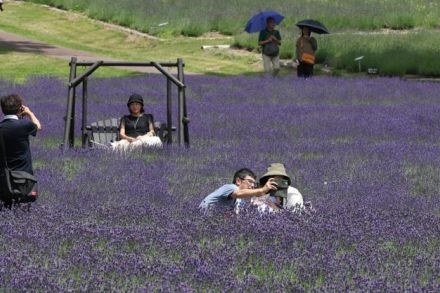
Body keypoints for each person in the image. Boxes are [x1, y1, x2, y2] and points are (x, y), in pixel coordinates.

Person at [199, 168, 278, 212]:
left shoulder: (240, 201)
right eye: (250, 181)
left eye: (254, 183)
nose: (252, 185)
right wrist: (262, 190)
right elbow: (237, 193)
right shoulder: (230, 187)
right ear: (238, 181)